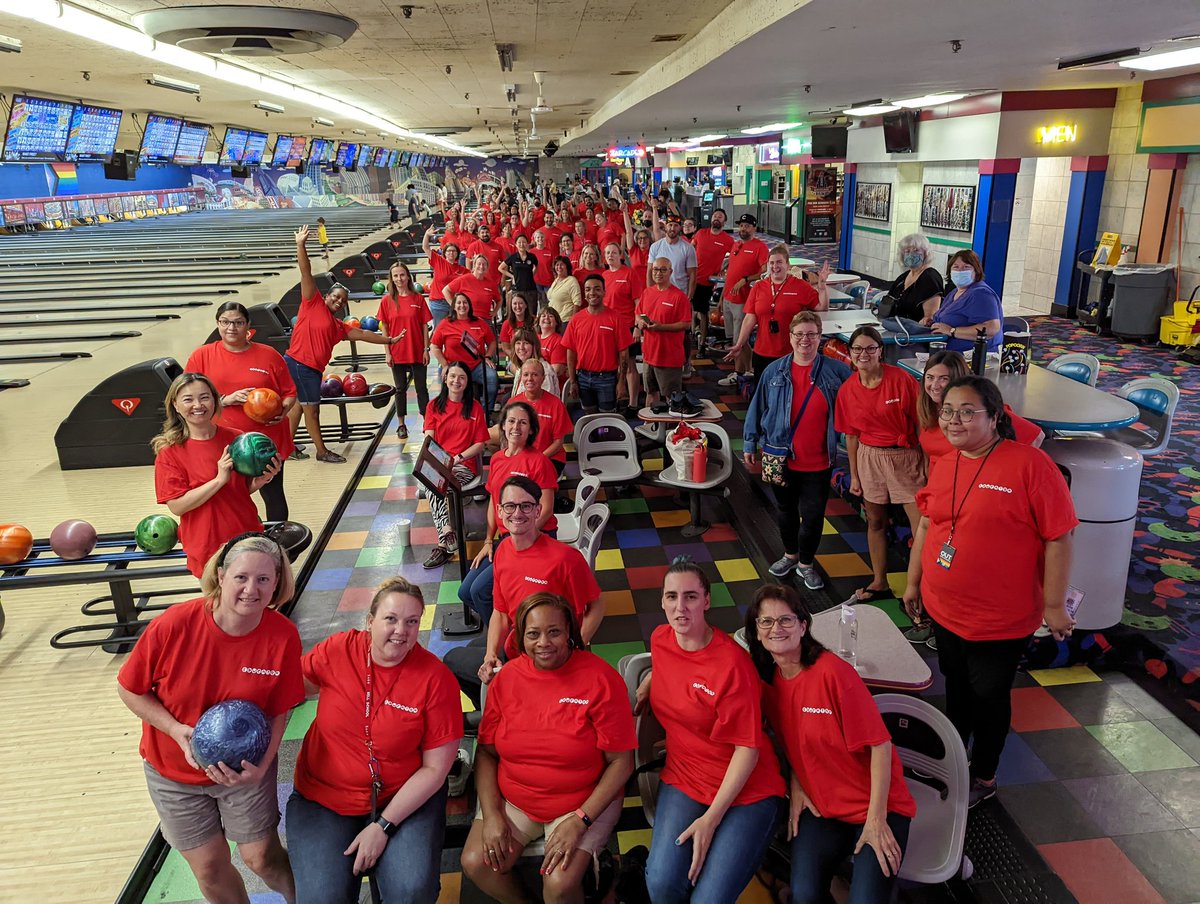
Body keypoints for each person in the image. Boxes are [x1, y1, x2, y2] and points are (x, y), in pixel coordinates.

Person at [903, 375, 1077, 807]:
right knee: (957, 686)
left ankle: (983, 774)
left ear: (996, 417)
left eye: (967, 411)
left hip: (1000, 617)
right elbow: (928, 523)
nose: (954, 420)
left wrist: (1054, 604)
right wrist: (913, 580)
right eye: (947, 411)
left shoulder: (1030, 466)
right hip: (945, 608)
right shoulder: (947, 461)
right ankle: (951, 751)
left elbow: (1059, 537)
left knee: (989, 696)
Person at [116, 534, 303, 904]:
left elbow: (279, 710)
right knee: (210, 868)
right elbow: (129, 689)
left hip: (245, 769)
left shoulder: (282, 636)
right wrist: (175, 730)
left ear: (278, 584)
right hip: (173, 772)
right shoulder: (174, 625)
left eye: (265, 579)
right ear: (220, 575)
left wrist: (262, 767)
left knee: (261, 857)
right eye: (241, 577)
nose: (252, 589)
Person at [286, 578, 461, 904]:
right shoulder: (338, 650)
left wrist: (383, 826)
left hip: (403, 798)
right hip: (324, 796)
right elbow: (290, 690)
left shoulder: (435, 679)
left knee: (410, 892)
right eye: (391, 619)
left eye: (412, 622)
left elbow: (435, 770)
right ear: (369, 621)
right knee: (321, 899)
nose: (401, 631)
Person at [746, 583, 916, 904]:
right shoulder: (767, 682)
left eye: (786, 620)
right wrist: (796, 783)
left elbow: (881, 746)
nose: (776, 628)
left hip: (877, 805)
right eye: (765, 621)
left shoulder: (833, 674)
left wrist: (876, 820)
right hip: (823, 806)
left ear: (803, 626)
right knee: (804, 895)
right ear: (755, 632)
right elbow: (790, 739)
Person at [461, 593, 634, 904]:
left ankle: (597, 881)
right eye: (533, 633)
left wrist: (580, 820)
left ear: (570, 631)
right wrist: (492, 815)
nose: (544, 643)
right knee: (476, 862)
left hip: (582, 801)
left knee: (559, 885)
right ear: (519, 636)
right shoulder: (507, 679)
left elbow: (622, 762)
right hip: (516, 799)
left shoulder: (601, 679)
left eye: (554, 631)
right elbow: (486, 753)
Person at [637, 561, 786, 903]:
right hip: (686, 775)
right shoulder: (661, 638)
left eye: (690, 597)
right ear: (661, 601)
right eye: (671, 597)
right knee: (661, 885)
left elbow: (747, 750)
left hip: (747, 788)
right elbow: (673, 668)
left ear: (706, 601)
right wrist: (650, 681)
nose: (680, 607)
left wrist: (710, 819)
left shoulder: (732, 666)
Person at [907, 352, 1042, 645]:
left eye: (944, 378)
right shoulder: (933, 415)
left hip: (979, 499)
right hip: (945, 496)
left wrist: (1009, 474)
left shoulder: (980, 414)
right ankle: (934, 619)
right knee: (936, 554)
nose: (935, 385)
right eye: (930, 378)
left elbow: (1034, 436)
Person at [445, 476, 603, 707]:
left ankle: (503, 705)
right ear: (499, 511)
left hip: (545, 655)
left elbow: (597, 606)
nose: (517, 513)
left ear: (538, 510)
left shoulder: (565, 559)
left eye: (526, 506)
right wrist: (490, 655)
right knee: (474, 649)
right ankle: (492, 707)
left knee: (452, 659)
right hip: (515, 644)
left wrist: (575, 648)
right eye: (510, 506)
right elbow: (500, 612)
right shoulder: (503, 551)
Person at [744, 311, 852, 589]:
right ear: (790, 338)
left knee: (814, 515)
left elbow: (855, 407)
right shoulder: (774, 371)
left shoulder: (837, 372)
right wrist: (749, 441)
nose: (805, 339)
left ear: (820, 338)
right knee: (785, 510)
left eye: (811, 334)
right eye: (799, 334)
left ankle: (806, 563)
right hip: (779, 455)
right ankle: (790, 554)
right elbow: (757, 407)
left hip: (819, 460)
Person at [285, 226, 399, 464]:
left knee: (297, 407)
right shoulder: (311, 304)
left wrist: (388, 340)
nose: (338, 301)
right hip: (299, 364)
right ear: (326, 296)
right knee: (311, 410)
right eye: (335, 297)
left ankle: (286, 448)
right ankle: (321, 451)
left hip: (310, 369)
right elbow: (306, 273)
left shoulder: (339, 327)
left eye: (343, 301)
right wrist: (300, 245)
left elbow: (362, 334)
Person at [153, 373, 279, 578]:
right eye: (188, 399)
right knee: (219, 606)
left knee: (256, 600)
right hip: (207, 544)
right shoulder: (169, 452)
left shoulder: (237, 438)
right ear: (175, 405)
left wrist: (260, 481)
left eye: (204, 397)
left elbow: (239, 490)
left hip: (245, 534)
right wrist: (219, 480)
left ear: (214, 400)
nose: (197, 405)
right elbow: (177, 506)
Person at [834, 325, 924, 606]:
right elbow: (851, 436)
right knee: (875, 521)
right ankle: (880, 581)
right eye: (857, 349)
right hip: (869, 457)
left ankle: (921, 587)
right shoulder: (848, 390)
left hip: (905, 457)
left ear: (880, 351)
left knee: (922, 524)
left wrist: (929, 465)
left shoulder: (901, 380)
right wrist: (855, 476)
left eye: (870, 348)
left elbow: (922, 425)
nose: (864, 354)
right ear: (849, 353)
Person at [185, 302, 296, 520]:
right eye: (225, 322)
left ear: (248, 326)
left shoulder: (268, 354)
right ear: (218, 324)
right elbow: (186, 398)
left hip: (265, 441)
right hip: (221, 442)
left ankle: (279, 547)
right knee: (226, 494)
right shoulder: (202, 356)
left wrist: (283, 410)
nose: (231, 328)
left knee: (273, 494)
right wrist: (225, 400)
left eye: (238, 322)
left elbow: (289, 392)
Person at [458, 401, 560, 623]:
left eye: (523, 423)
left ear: (531, 429)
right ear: (502, 426)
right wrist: (487, 541)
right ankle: (511, 625)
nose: (516, 427)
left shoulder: (539, 461)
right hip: (506, 538)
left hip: (535, 536)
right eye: (511, 421)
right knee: (465, 592)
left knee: (481, 592)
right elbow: (495, 504)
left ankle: (505, 647)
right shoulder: (497, 459)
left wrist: (520, 540)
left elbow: (547, 509)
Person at [421, 361, 490, 568]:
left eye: (461, 377)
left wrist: (457, 458)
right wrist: (441, 461)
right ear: (445, 378)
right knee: (432, 479)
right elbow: (429, 440)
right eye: (452, 376)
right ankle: (447, 531)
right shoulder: (433, 406)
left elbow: (480, 443)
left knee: (434, 482)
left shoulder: (475, 407)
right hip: (440, 462)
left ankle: (444, 541)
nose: (456, 381)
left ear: (467, 381)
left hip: (464, 464)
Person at [728, 244, 829, 382]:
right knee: (763, 393)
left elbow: (821, 307)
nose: (775, 266)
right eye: (772, 263)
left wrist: (822, 288)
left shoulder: (800, 286)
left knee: (787, 395)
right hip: (762, 351)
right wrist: (739, 344)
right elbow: (750, 318)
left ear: (788, 265)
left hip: (791, 352)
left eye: (779, 262)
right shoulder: (758, 287)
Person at [376, 261, 431, 441]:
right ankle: (401, 424)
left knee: (422, 388)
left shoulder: (418, 299)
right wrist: (387, 352)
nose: (399, 279)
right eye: (395, 276)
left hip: (416, 350)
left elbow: (425, 326)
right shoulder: (387, 301)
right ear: (392, 279)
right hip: (397, 351)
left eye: (402, 275)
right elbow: (385, 328)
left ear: (408, 276)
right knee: (400, 389)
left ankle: (427, 422)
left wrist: (426, 349)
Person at [717, 214, 771, 386]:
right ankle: (747, 369)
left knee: (739, 339)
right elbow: (730, 273)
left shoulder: (760, 247)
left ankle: (738, 373)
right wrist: (721, 297)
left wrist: (746, 279)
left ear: (754, 228)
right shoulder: (736, 244)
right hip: (728, 298)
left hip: (744, 300)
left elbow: (764, 273)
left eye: (747, 226)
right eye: (741, 226)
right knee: (737, 338)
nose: (743, 229)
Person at [430, 292, 499, 413]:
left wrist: (487, 357)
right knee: (447, 387)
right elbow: (435, 347)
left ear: (469, 306)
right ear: (454, 306)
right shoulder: (445, 324)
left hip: (476, 365)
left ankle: (485, 413)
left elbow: (492, 342)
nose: (462, 305)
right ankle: (452, 413)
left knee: (492, 378)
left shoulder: (479, 322)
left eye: (465, 302)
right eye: (459, 303)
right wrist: (445, 365)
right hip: (453, 366)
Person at [636, 257, 691, 405]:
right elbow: (639, 313)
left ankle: (671, 428)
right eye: (655, 269)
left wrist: (662, 327)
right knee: (650, 394)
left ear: (670, 272)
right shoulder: (647, 293)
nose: (658, 273)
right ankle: (649, 426)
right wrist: (641, 322)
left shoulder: (679, 297)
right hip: (649, 355)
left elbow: (686, 324)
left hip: (669, 358)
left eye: (663, 269)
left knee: (672, 399)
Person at [930, 249, 1003, 353]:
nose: (960, 271)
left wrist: (952, 331)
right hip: (945, 352)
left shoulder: (981, 294)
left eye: (966, 267)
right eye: (956, 267)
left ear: (976, 271)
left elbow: (991, 329)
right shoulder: (954, 292)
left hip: (972, 357)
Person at [508, 358, 571, 475]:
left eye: (535, 375)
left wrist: (538, 458)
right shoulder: (513, 403)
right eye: (526, 375)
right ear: (521, 378)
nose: (529, 379)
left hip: (550, 457)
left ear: (543, 378)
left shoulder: (556, 404)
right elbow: (509, 437)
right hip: (522, 457)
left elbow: (558, 443)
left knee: (530, 478)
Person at [602, 240, 642, 414]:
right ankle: (618, 398)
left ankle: (633, 403)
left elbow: (638, 303)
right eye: (607, 253)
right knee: (613, 365)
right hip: (608, 328)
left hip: (627, 326)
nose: (610, 255)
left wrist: (638, 327)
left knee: (630, 366)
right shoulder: (603, 276)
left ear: (620, 255)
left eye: (613, 252)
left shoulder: (630, 274)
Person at [690, 208, 734, 354]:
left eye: (720, 216)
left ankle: (702, 343)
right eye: (715, 216)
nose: (717, 218)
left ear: (724, 221)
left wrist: (724, 267)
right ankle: (691, 335)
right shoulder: (701, 233)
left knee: (703, 312)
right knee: (689, 309)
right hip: (691, 278)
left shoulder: (727, 240)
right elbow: (691, 248)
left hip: (706, 282)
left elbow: (735, 256)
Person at [886, 233, 943, 323]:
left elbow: (929, 319)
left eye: (916, 251)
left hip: (914, 330)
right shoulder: (903, 277)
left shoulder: (930, 277)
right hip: (895, 324)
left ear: (926, 253)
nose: (911, 254)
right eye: (907, 251)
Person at [423, 225, 467, 328]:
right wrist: (427, 235)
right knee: (439, 330)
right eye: (448, 251)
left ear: (457, 254)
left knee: (454, 330)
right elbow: (425, 248)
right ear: (445, 253)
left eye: (454, 251)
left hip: (455, 303)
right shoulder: (439, 261)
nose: (451, 253)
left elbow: (473, 279)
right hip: (438, 303)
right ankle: (430, 344)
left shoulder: (462, 270)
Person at [445, 254, 503, 322]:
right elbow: (446, 290)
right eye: (479, 264)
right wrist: (454, 307)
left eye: (484, 264)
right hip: (467, 319)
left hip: (485, 320)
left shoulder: (491, 283)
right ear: (474, 266)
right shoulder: (464, 279)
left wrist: (495, 311)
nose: (481, 266)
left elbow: (499, 299)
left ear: (487, 267)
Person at [499, 233, 540, 307]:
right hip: (517, 289)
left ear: (527, 243)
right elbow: (500, 268)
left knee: (532, 312)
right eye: (519, 242)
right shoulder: (513, 257)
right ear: (516, 244)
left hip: (531, 289)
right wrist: (512, 276)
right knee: (518, 312)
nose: (522, 244)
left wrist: (531, 274)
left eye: (524, 242)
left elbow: (536, 267)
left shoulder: (532, 256)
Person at [499, 290, 537, 360]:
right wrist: (517, 359)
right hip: (514, 359)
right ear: (511, 306)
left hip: (533, 358)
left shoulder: (534, 321)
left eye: (520, 303)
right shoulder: (506, 324)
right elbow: (505, 348)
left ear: (526, 305)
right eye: (515, 304)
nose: (518, 306)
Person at [547, 255, 582, 323]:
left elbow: (577, 303)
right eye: (557, 265)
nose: (559, 267)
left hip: (565, 321)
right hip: (554, 321)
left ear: (567, 266)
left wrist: (572, 322)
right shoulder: (556, 280)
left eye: (562, 264)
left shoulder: (572, 281)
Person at [537, 308, 567, 385]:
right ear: (538, 322)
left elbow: (555, 371)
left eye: (550, 316)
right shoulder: (534, 338)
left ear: (556, 322)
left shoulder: (559, 341)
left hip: (551, 385)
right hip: (534, 382)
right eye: (543, 316)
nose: (546, 318)